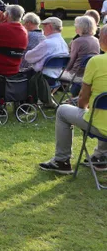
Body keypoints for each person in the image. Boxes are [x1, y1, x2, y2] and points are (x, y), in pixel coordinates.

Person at [39, 30, 107, 174]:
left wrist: (82, 108)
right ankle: (101, 156)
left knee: (63, 110)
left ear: (104, 39)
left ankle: (61, 160)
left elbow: (83, 97)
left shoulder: (96, 61)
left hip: (100, 124)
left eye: (100, 37)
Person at [60, 15, 100, 89]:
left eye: (76, 26)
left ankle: (48, 97)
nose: (75, 29)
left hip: (76, 75)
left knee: (50, 74)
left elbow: (71, 60)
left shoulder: (78, 41)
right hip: (90, 74)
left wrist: (65, 70)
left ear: (81, 27)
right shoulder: (96, 40)